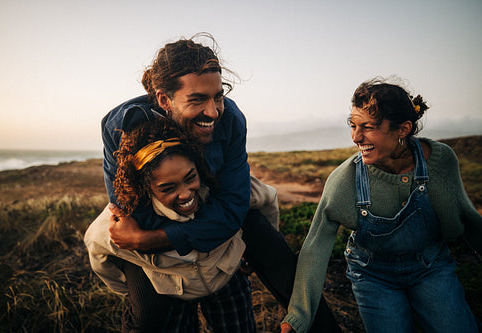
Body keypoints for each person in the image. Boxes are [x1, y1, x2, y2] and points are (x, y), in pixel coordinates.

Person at [96, 33, 341, 332]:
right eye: (197, 99)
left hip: (213, 203)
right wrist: (144, 239)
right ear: (164, 99)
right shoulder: (122, 128)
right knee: (149, 315)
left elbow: (233, 206)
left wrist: (151, 240)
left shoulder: (232, 120)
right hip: (157, 213)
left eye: (218, 95)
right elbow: (132, 213)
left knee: (276, 255)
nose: (213, 112)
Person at [281, 77, 482, 333]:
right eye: (353, 125)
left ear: (403, 128)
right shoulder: (345, 180)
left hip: (432, 268)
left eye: (368, 127)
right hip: (373, 277)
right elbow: (316, 246)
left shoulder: (440, 161)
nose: (356, 137)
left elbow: (468, 219)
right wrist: (298, 316)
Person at [85, 118, 256, 332]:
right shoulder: (125, 219)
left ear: (199, 168)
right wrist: (128, 290)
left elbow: (267, 200)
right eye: (167, 188)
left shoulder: (220, 193)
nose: (185, 194)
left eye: (190, 178)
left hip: (228, 276)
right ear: (146, 188)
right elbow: (96, 251)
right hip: (173, 294)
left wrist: (250, 251)